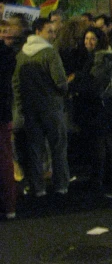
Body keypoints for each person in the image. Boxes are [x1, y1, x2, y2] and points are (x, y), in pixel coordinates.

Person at [12, 17, 70, 197]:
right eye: (49, 31)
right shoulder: (50, 53)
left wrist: (21, 107)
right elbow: (60, 82)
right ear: (38, 31)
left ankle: (38, 188)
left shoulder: (21, 55)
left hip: (30, 110)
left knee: (35, 150)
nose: (53, 35)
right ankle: (60, 185)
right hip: (51, 107)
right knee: (58, 148)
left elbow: (16, 84)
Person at [68, 26, 112, 193]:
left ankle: (99, 177)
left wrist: (76, 78)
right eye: (86, 38)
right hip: (104, 101)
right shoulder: (98, 56)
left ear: (99, 40)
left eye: (92, 39)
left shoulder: (102, 57)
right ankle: (108, 175)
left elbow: (95, 82)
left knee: (100, 140)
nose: (88, 42)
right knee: (105, 140)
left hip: (102, 102)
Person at [0, 29, 17, 219]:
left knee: (4, 159)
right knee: (5, 159)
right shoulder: (7, 54)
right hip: (4, 111)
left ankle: (8, 204)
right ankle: (9, 205)